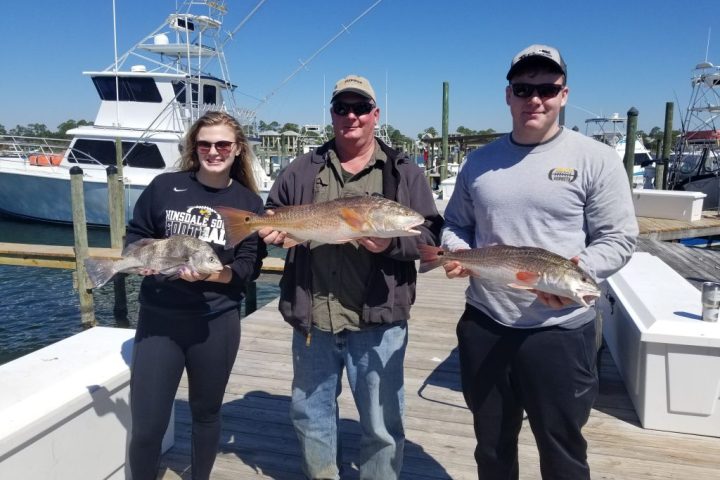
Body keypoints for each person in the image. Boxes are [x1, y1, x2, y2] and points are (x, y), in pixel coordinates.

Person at [441, 45, 638, 479]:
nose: (535, 99)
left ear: (563, 94)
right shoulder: (479, 161)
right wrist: (455, 253)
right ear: (508, 95)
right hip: (486, 323)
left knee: (562, 450)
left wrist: (572, 273)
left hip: (560, 332)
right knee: (491, 448)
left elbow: (620, 237)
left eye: (546, 89)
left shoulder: (597, 159)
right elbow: (456, 223)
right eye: (523, 88)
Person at [259, 74, 443, 479]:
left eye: (360, 107)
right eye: (342, 108)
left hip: (378, 322)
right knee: (311, 415)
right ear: (332, 115)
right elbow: (275, 215)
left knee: (381, 425)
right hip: (314, 317)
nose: (351, 116)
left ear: (375, 115)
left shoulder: (403, 172)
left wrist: (390, 246)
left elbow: (430, 235)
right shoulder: (300, 170)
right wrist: (274, 232)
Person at [126, 111, 267, 480]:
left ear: (237, 149)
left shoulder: (249, 202)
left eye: (223, 144)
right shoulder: (164, 186)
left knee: (206, 415)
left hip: (215, 324)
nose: (213, 151)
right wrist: (141, 260)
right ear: (194, 147)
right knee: (147, 426)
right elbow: (136, 234)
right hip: (159, 322)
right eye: (204, 144)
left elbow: (249, 266)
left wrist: (215, 273)